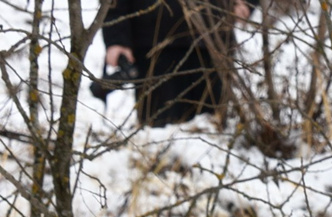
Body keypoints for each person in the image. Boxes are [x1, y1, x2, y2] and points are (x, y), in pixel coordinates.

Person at [99, 0, 246, 128]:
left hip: (212, 43)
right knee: (159, 132)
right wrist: (116, 39)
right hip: (153, 47)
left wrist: (246, 3)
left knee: (212, 130)